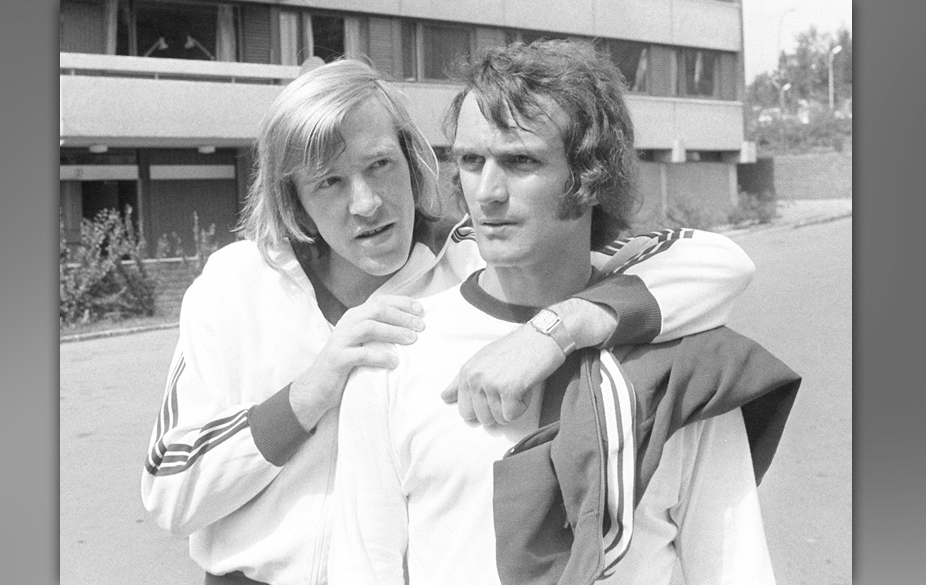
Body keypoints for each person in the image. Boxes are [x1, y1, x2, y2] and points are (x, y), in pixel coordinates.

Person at [141, 57, 758, 585]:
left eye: (380, 165)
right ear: (293, 199)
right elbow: (169, 492)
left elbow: (715, 265)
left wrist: (557, 327)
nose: (366, 204)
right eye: (328, 182)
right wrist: (310, 392)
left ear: (414, 161)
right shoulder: (236, 286)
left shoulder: (472, 251)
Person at [328, 40, 799, 585]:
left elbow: (734, 568)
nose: (487, 193)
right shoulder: (397, 355)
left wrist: (555, 329)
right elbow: (362, 569)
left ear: (590, 175)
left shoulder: (686, 367)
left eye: (520, 161)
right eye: (472, 161)